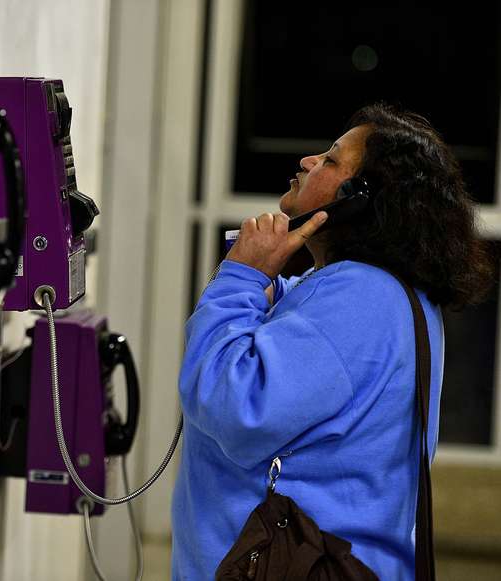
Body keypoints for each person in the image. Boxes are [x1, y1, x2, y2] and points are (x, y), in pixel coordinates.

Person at [171, 103, 495, 580]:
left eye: (330, 160)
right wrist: (260, 282)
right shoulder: (369, 292)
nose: (307, 162)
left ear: (361, 197)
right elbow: (298, 324)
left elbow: (230, 404)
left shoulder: (359, 299)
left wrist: (240, 278)